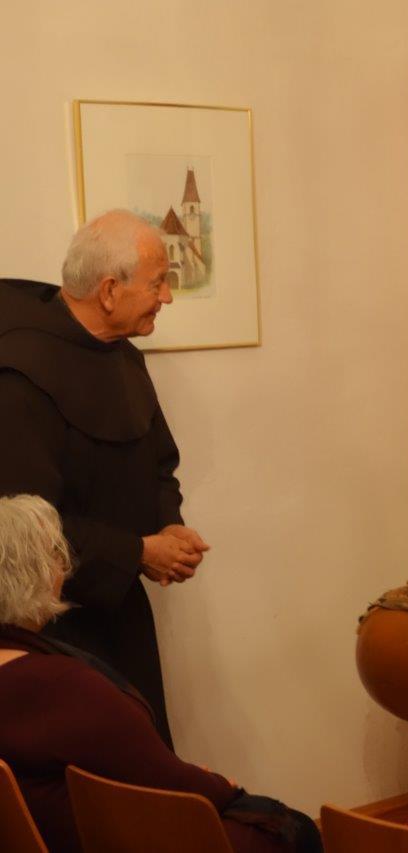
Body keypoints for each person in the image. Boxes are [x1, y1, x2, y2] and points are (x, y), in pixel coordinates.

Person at [0, 494, 320, 853]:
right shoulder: (58, 685)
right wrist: (223, 788)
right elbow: (169, 783)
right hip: (111, 839)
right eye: (57, 556)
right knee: (294, 828)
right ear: (36, 574)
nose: (67, 567)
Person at [0, 210, 210, 747]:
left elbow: (159, 463)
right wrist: (138, 552)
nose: (167, 297)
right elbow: (29, 529)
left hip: (120, 605)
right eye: (158, 283)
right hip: (49, 625)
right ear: (110, 291)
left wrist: (169, 526)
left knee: (143, 754)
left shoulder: (125, 358)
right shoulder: (21, 374)